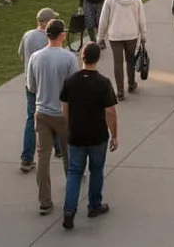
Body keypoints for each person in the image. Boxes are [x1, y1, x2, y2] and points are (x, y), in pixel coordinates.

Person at [58, 43, 118, 230]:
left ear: (81, 57)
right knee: (96, 170)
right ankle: (94, 205)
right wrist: (114, 135)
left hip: (76, 135)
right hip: (97, 135)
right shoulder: (103, 83)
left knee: (74, 172)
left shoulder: (70, 81)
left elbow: (65, 108)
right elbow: (110, 111)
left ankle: (69, 210)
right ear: (97, 58)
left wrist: (68, 127)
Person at [26, 18, 78, 215]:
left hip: (42, 113)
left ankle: (44, 201)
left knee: (42, 157)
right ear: (62, 35)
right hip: (63, 113)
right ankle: (71, 194)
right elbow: (75, 88)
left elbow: (31, 86)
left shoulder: (35, 57)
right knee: (68, 155)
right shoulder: (69, 58)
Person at [17, 9, 60, 173]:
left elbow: (21, 55)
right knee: (54, 114)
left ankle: (26, 158)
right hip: (47, 84)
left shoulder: (27, 35)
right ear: (47, 22)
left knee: (31, 118)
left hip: (30, 83)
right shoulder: (50, 39)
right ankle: (59, 148)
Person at [97, 0, 148, 99]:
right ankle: (131, 84)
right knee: (130, 60)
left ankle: (120, 90)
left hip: (115, 35)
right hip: (131, 34)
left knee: (118, 62)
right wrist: (143, 35)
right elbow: (141, 18)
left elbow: (103, 19)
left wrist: (100, 37)